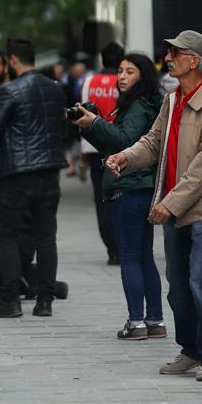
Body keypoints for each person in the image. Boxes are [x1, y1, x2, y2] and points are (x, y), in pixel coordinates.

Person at [105, 30, 202, 381]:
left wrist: (169, 203)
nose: (168, 58)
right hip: (177, 205)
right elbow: (153, 142)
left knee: (200, 280)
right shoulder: (172, 99)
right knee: (178, 283)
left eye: (175, 53)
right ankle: (191, 350)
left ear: (193, 60)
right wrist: (126, 157)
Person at [73, 52, 166, 340]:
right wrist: (90, 125)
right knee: (144, 256)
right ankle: (155, 320)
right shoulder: (145, 102)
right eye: (121, 71)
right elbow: (115, 141)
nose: (122, 77)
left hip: (130, 186)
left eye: (130, 72)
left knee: (130, 256)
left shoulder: (139, 104)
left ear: (144, 76)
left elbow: (125, 143)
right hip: (144, 186)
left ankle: (136, 321)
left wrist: (95, 124)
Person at [0, 37, 67, 319]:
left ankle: (10, 301)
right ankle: (45, 301)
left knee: (6, 236)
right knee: (46, 237)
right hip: (50, 171)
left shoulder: (10, 90)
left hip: (17, 173)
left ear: (12, 60)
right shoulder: (55, 88)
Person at [79, 42, 124, 265]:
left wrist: (83, 148)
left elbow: (82, 113)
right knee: (121, 196)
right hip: (119, 146)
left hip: (94, 146)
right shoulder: (123, 81)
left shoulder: (89, 81)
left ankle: (112, 250)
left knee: (101, 199)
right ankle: (123, 245)